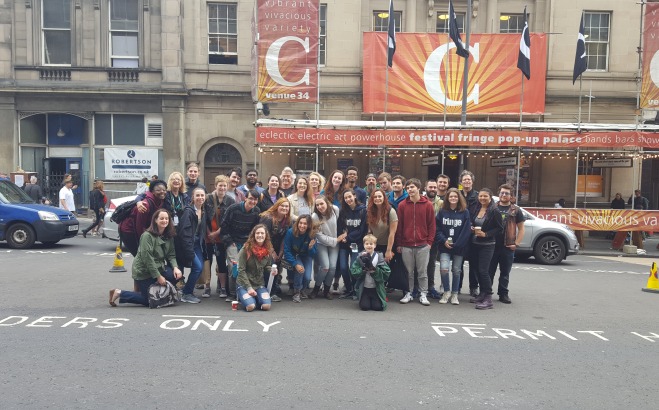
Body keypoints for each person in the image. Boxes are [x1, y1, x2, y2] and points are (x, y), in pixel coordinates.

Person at [109, 209, 183, 307]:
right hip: (144, 271)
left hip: (159, 267)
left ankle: (155, 289)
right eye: (161, 218)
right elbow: (147, 259)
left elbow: (171, 255)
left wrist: (175, 267)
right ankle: (119, 293)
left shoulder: (168, 236)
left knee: (175, 276)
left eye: (166, 219)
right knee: (148, 300)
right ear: (155, 220)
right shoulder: (147, 236)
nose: (164, 221)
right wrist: (158, 276)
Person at [396, 178, 436, 306]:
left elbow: (432, 225)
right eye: (408, 188)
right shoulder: (402, 205)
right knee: (408, 271)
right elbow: (399, 226)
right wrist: (399, 243)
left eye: (412, 187)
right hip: (406, 244)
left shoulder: (428, 205)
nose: (410, 190)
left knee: (422, 271)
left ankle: (423, 293)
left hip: (423, 244)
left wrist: (429, 242)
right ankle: (408, 292)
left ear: (419, 188)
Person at [220, 190, 262, 302]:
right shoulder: (233, 209)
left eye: (255, 200)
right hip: (232, 241)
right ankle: (232, 293)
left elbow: (255, 229)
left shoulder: (256, 211)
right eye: (251, 198)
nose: (253, 201)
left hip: (246, 242)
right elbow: (224, 225)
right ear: (245, 198)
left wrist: (250, 243)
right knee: (233, 266)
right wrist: (229, 241)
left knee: (246, 266)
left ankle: (244, 289)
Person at [488, 184, 525, 304]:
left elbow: (521, 228)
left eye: (507, 193)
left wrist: (517, 243)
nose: (504, 195)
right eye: (502, 193)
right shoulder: (492, 208)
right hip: (492, 245)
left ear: (511, 196)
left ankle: (503, 294)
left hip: (508, 246)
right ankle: (487, 293)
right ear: (498, 194)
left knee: (505, 272)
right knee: (489, 271)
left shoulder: (516, 210)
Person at [469, 188, 504, 310]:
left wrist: (486, 234)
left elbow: (500, 228)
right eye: (481, 196)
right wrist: (472, 228)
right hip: (475, 243)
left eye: (485, 196)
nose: (482, 198)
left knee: (484, 271)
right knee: (477, 270)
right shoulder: (477, 208)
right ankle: (482, 294)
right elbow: (473, 222)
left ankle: (488, 298)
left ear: (490, 198)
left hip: (487, 245)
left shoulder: (494, 211)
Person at [436, 188, 471, 305]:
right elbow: (437, 229)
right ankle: (446, 292)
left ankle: (455, 293)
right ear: (447, 198)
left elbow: (466, 231)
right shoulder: (442, 211)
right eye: (451, 196)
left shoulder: (464, 212)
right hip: (444, 246)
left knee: (456, 271)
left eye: (455, 196)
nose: (453, 198)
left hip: (459, 247)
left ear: (459, 198)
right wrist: (444, 240)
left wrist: (457, 244)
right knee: (444, 269)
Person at [174, 187, 207, 303]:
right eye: (197, 195)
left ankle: (186, 290)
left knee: (199, 267)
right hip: (188, 244)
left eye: (202, 195)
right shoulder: (188, 212)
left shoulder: (203, 210)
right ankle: (186, 293)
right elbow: (184, 234)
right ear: (192, 197)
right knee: (197, 267)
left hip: (197, 243)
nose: (200, 198)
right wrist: (189, 251)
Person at [205, 175, 236, 299]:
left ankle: (223, 288)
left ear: (227, 187)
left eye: (224, 185)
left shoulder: (230, 201)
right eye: (220, 185)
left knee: (221, 262)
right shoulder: (208, 199)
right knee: (207, 262)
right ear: (215, 185)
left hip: (221, 237)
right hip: (207, 236)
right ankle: (207, 287)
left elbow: (229, 221)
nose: (222, 188)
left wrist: (216, 233)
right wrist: (208, 233)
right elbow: (204, 218)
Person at [119, 179, 167, 256]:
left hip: (143, 230)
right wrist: (144, 243)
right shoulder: (145, 205)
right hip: (129, 231)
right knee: (141, 257)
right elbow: (139, 226)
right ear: (152, 192)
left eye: (164, 190)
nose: (162, 192)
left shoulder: (160, 200)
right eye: (158, 190)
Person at [335, 189, 368, 299]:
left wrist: (348, 237)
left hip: (356, 244)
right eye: (346, 198)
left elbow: (362, 230)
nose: (348, 199)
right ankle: (348, 289)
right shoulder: (343, 211)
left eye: (350, 197)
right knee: (343, 267)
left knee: (354, 266)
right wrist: (341, 237)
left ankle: (355, 289)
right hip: (344, 244)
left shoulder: (363, 210)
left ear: (354, 196)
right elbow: (339, 227)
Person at [236, 225, 277, 311]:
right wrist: (249, 288)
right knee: (250, 307)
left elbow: (267, 266)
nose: (260, 235)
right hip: (244, 284)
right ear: (253, 235)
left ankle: (253, 299)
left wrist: (272, 270)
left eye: (262, 233)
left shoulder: (268, 250)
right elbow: (241, 270)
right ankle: (247, 298)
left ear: (266, 236)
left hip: (259, 284)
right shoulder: (245, 249)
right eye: (257, 233)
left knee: (266, 306)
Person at [312, 195, 345, 299]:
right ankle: (316, 289)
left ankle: (326, 290)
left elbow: (341, 224)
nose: (320, 206)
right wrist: (336, 240)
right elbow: (319, 236)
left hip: (335, 244)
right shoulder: (315, 217)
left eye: (322, 203)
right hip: (323, 243)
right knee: (325, 267)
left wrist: (342, 237)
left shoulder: (335, 210)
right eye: (317, 205)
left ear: (327, 203)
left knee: (332, 268)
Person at [259, 197, 292, 302]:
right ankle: (270, 292)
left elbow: (284, 237)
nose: (284, 208)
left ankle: (274, 286)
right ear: (277, 206)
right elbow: (264, 236)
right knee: (271, 266)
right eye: (282, 205)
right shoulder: (268, 218)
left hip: (278, 247)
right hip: (264, 245)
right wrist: (272, 252)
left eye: (287, 206)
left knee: (277, 266)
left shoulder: (287, 220)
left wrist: (281, 252)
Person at [350, 234, 391, 311]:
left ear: (375, 245)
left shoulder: (379, 257)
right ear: (364, 245)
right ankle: (365, 298)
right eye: (367, 244)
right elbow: (353, 271)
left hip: (376, 288)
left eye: (371, 244)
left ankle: (377, 298)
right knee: (365, 307)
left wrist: (374, 270)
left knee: (378, 307)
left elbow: (386, 273)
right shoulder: (359, 257)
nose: (369, 246)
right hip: (365, 287)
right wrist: (363, 270)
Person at [283, 214, 317, 302]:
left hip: (306, 255)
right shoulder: (290, 232)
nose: (302, 225)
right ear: (297, 223)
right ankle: (296, 292)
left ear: (309, 225)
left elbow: (313, 254)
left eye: (305, 224)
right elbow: (286, 251)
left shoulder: (312, 234)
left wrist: (310, 248)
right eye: (300, 223)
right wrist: (295, 264)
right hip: (294, 255)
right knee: (300, 269)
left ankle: (303, 290)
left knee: (307, 278)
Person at [424, 179, 443, 299]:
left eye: (434, 187)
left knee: (431, 264)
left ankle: (430, 287)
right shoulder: (420, 200)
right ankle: (417, 287)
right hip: (421, 238)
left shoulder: (441, 203)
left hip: (434, 238)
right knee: (419, 265)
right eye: (430, 187)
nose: (433, 189)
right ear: (425, 188)